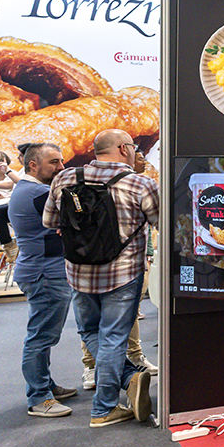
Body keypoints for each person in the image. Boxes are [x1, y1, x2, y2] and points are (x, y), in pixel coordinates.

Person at [43, 129, 159, 428]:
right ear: (123, 149)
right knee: (114, 337)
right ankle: (104, 408)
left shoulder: (64, 178)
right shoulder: (140, 183)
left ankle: (129, 380)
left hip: (78, 271)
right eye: (133, 147)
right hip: (122, 273)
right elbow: (162, 224)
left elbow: (49, 222)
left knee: (90, 331)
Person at [9, 142, 77, 417]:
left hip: (42, 271)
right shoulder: (37, 193)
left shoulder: (28, 190)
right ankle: (39, 397)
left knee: (44, 334)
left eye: (61, 161)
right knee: (40, 337)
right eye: (54, 162)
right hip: (44, 274)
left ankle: (45, 385)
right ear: (33, 165)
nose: (61, 167)